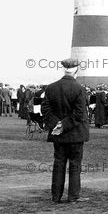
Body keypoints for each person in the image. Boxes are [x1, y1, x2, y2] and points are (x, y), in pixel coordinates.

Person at [41, 59, 90, 204]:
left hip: (58, 134)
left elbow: (46, 110)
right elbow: (79, 113)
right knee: (75, 166)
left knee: (59, 164)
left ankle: (55, 196)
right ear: (76, 70)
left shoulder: (50, 88)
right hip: (75, 133)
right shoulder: (79, 89)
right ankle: (73, 196)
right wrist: (64, 124)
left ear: (64, 69)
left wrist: (57, 125)